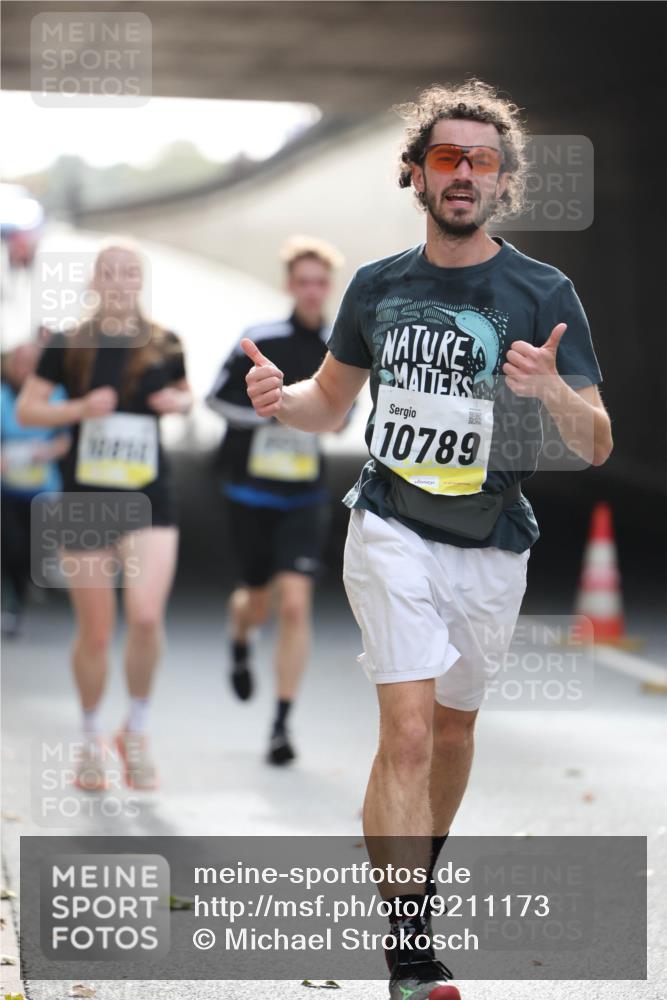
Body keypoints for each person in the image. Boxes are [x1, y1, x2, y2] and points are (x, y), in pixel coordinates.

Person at [243, 80, 612, 999]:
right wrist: (281, 401)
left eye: (481, 161)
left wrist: (549, 390)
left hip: (491, 537)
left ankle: (415, 880)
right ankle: (409, 946)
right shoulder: (377, 285)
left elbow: (595, 442)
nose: (463, 174)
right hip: (391, 523)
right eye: (446, 157)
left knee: (450, 733)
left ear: (503, 181)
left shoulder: (543, 291)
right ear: (415, 173)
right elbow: (329, 404)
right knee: (406, 733)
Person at [17, 242, 192, 792]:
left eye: (129, 273)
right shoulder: (69, 343)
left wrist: (177, 403)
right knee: (95, 632)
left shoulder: (164, 341)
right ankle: (91, 739)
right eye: (109, 273)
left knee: (145, 616)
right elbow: (28, 408)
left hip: (150, 497)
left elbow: (187, 396)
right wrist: (78, 409)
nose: (119, 282)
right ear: (95, 281)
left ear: (140, 281)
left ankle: (134, 730)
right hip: (86, 499)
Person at [207, 236, 344, 765]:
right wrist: (267, 412)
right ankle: (240, 637)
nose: (311, 291)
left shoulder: (338, 347)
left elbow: (342, 414)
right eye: (303, 281)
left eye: (319, 282)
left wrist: (318, 416)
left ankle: (281, 725)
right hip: (251, 491)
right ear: (290, 285)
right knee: (256, 600)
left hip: (304, 496)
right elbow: (215, 398)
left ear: (328, 287)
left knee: (294, 602)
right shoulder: (260, 339)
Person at [1, 340, 70, 636]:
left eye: (31, 363)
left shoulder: (57, 395)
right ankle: (12, 604)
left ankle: (29, 582)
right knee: (10, 546)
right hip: (7, 487)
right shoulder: (3, 395)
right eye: (20, 363)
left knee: (33, 549)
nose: (24, 369)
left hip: (43, 487)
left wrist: (49, 450)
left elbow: (66, 438)